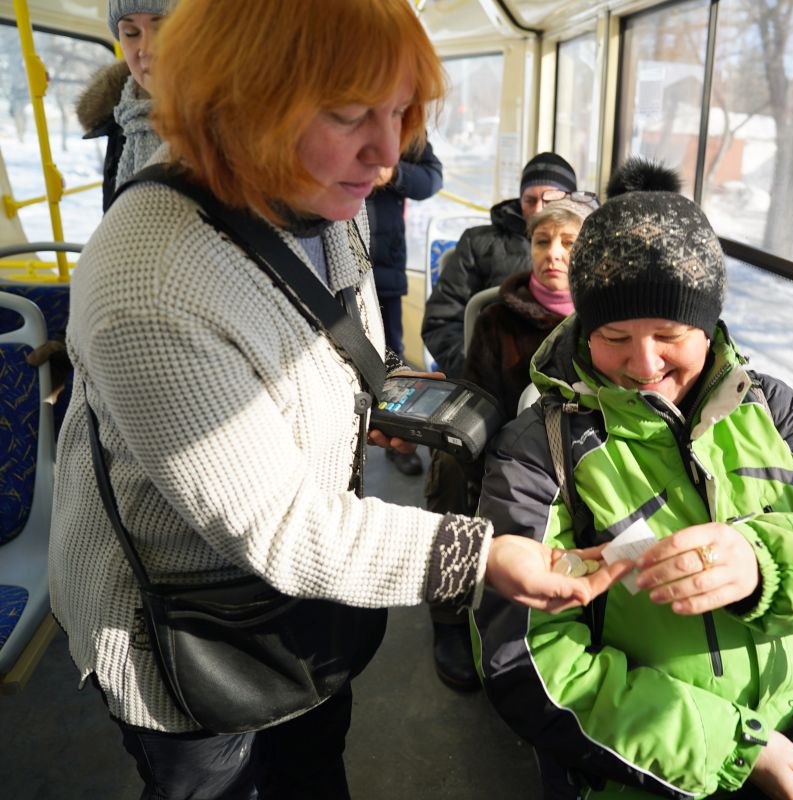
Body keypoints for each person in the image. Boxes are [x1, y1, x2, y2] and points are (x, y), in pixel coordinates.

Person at [48, 2, 627, 798]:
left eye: (399, 114)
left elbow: (337, 339)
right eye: (351, 114)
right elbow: (281, 526)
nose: (388, 155)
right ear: (237, 97)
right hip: (185, 636)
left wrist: (377, 402)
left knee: (313, 768)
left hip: (304, 606)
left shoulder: (314, 201)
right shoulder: (150, 285)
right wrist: (483, 555)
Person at [472, 162, 793, 800]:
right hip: (659, 763)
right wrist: (742, 748)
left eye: (671, 335)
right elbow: (526, 664)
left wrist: (765, 566)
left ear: (707, 327)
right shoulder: (539, 452)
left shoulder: (769, 409)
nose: (643, 364)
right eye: (614, 336)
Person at [423, 195, 594, 690]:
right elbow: (481, 397)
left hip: (576, 449)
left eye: (568, 242)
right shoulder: (498, 319)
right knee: (452, 467)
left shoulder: (603, 322)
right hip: (508, 441)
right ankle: (451, 617)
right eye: (542, 241)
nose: (554, 254)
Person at [420, 151, 577, 378]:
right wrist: (477, 371)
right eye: (530, 200)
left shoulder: (589, 245)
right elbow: (442, 320)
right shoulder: (478, 243)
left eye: (550, 200)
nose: (538, 209)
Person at [366, 137, 443, 476]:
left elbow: (431, 178)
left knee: (390, 355)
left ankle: (395, 440)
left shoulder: (404, 127)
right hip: (338, 267)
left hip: (385, 266)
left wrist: (394, 174)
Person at [76, 0, 173, 211]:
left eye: (164, 29)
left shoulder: (243, 126)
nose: (146, 50)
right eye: (130, 33)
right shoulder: (123, 121)